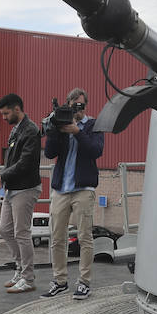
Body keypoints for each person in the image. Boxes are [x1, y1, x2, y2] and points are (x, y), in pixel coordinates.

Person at [41, 87, 104, 301]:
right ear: (67, 104)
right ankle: (60, 281)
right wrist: (55, 130)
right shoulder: (61, 123)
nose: (78, 109)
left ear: (85, 106)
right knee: (57, 237)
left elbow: (96, 151)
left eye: (81, 105)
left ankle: (84, 282)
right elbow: (50, 153)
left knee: (85, 236)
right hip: (61, 189)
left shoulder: (93, 125)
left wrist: (77, 131)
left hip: (83, 189)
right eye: (74, 105)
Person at [0, 93, 41, 294]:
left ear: (17, 108)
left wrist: (3, 175)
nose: (3, 118)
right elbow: (13, 160)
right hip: (12, 188)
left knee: (21, 233)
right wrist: (5, 179)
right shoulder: (15, 130)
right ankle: (20, 269)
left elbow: (26, 162)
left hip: (25, 188)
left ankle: (28, 278)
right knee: (5, 230)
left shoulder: (30, 131)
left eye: (6, 113)